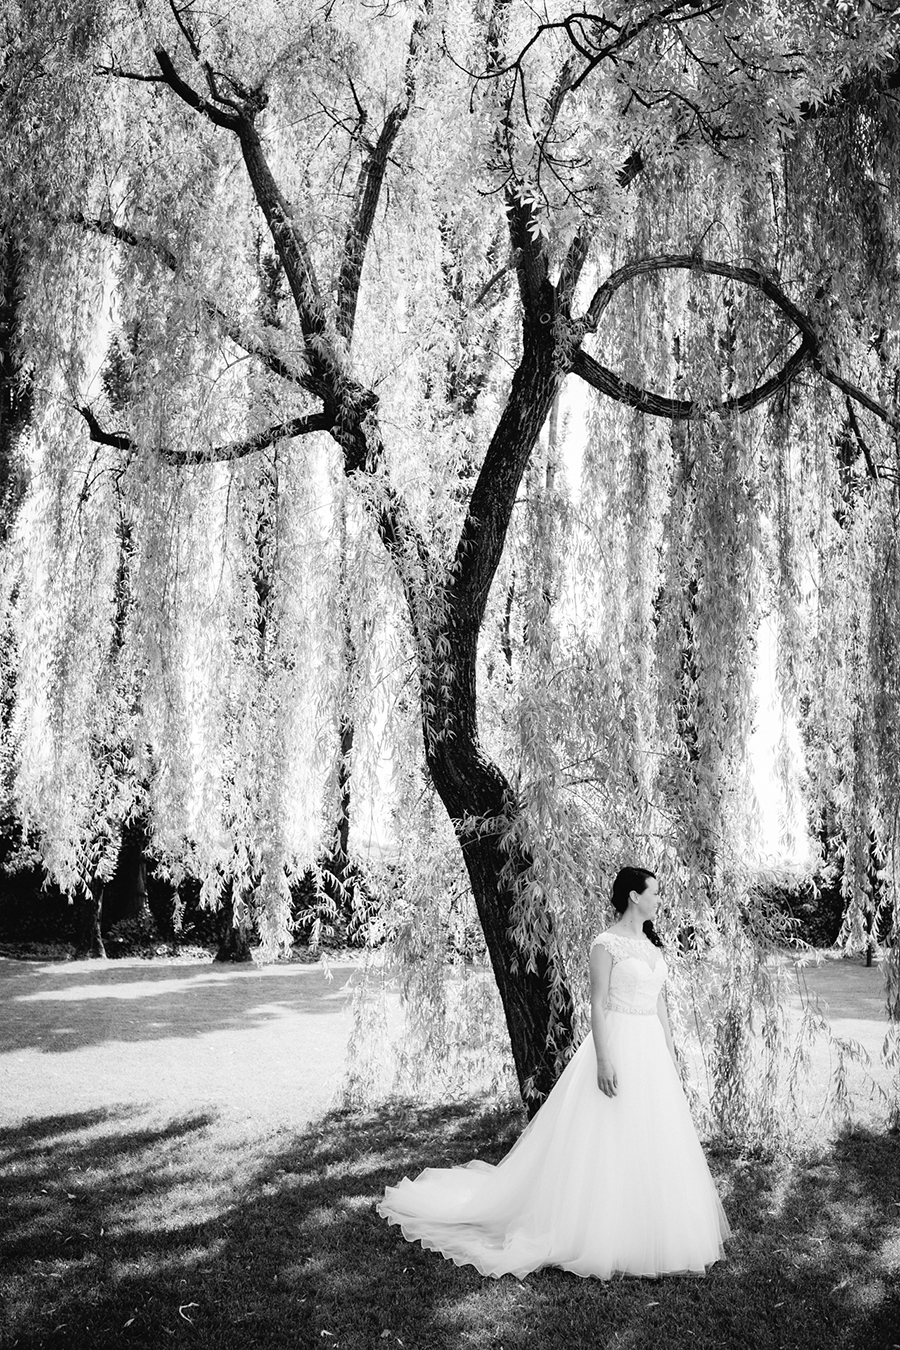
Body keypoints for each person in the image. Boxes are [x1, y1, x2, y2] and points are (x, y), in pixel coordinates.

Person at [376, 866, 730, 1279]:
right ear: (634, 896)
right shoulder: (606, 944)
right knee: (606, 1135)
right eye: (655, 892)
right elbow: (597, 1004)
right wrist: (603, 1058)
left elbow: (662, 1009)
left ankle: (654, 1224)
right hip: (616, 1041)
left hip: (650, 1049)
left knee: (653, 1136)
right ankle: (595, 1229)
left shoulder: (654, 948)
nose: (660, 899)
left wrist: (670, 1058)